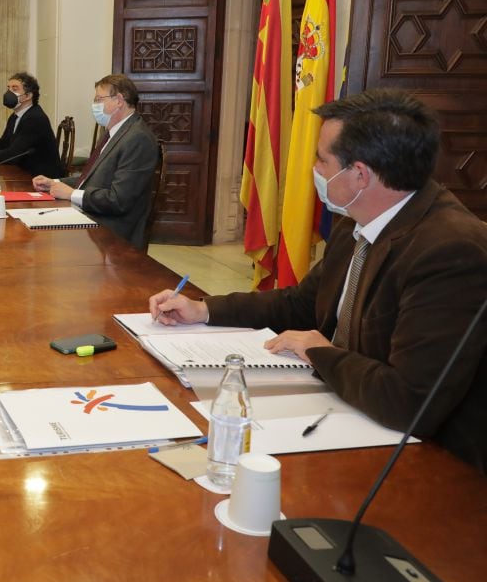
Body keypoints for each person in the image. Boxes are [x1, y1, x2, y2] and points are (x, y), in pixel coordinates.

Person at [149, 90, 487, 472]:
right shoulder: (356, 222)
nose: (314, 169)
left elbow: (410, 401)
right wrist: (204, 309)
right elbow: (301, 304)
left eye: (321, 160)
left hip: (427, 461)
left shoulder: (450, 251)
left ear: (359, 174)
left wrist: (317, 351)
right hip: (343, 406)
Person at [33, 74, 159, 248]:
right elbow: (92, 178)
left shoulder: (138, 138)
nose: (95, 105)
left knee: (44, 244)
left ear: (119, 100)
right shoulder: (114, 132)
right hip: (93, 217)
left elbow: (118, 201)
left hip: (113, 232)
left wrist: (70, 194)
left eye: (99, 99)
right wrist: (55, 182)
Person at [0, 72, 65, 178]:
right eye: (8, 88)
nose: (9, 93)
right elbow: (3, 143)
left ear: (28, 96)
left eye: (15, 89)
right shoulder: (15, 116)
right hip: (23, 173)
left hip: (41, 178)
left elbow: (13, 155)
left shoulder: (35, 118)